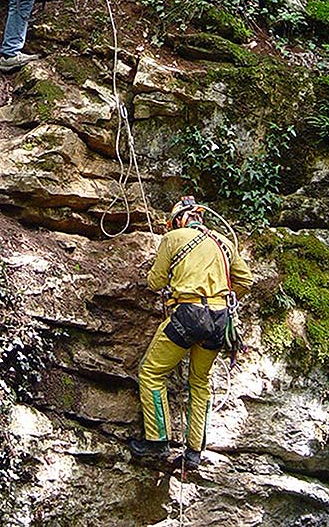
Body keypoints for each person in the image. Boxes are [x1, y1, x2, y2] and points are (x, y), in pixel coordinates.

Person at [129, 196, 253, 470]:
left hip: (188, 315)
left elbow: (155, 282)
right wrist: (223, 296)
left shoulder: (174, 238)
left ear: (178, 221)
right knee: (200, 382)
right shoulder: (224, 242)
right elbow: (245, 280)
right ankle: (195, 452)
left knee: (151, 373)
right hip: (221, 320)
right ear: (199, 217)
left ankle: (158, 440)